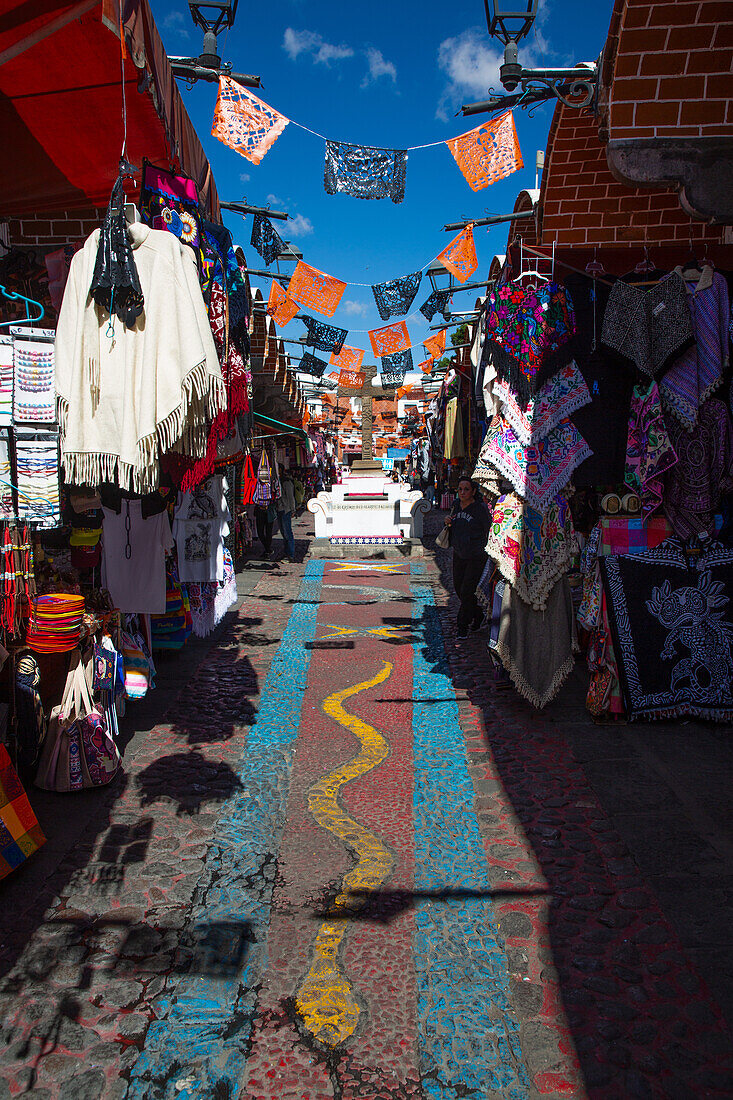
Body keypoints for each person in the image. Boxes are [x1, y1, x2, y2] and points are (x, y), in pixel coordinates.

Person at [443, 476, 491, 639]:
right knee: (459, 589)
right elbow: (452, 526)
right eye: (460, 489)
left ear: (473, 491)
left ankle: (462, 626)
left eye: (466, 489)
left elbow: (488, 528)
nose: (462, 492)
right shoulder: (456, 505)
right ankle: (477, 615)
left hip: (476, 555)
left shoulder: (479, 509)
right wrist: (448, 522)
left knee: (467, 590)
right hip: (459, 553)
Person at [276, 465, 296, 561]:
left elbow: (290, 497)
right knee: (284, 532)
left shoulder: (286, 482)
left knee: (287, 532)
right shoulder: (278, 481)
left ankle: (290, 554)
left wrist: (293, 510)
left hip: (285, 509)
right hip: (279, 509)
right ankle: (287, 552)